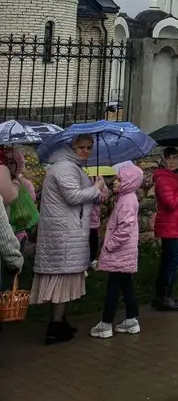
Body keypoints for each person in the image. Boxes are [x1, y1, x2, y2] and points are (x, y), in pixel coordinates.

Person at [32, 134, 104, 345]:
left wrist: (95, 190)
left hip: (67, 231)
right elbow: (73, 196)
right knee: (60, 280)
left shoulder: (71, 166)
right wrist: (96, 188)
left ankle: (61, 322)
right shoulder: (64, 167)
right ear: (72, 146)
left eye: (89, 148)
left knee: (64, 279)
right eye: (81, 147)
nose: (85, 151)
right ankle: (54, 328)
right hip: (63, 234)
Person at [90, 162, 144, 339]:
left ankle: (105, 324)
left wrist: (110, 244)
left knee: (113, 288)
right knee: (126, 285)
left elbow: (125, 227)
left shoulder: (127, 201)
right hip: (124, 253)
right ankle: (132, 319)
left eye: (119, 180)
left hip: (120, 252)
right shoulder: (126, 198)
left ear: (129, 182)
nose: (115, 182)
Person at [152, 147, 178, 311]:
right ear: (163, 160)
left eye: (175, 158)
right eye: (169, 158)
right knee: (175, 260)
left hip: (174, 224)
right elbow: (170, 203)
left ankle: (163, 296)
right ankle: (163, 296)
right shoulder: (163, 179)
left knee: (169, 260)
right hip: (169, 224)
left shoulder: (175, 177)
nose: (172, 161)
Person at [88, 174, 110, 270]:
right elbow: (88, 197)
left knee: (93, 241)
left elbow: (103, 198)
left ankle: (91, 260)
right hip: (83, 218)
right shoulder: (83, 179)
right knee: (83, 243)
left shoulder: (98, 178)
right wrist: (96, 188)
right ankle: (82, 265)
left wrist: (102, 186)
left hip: (94, 218)